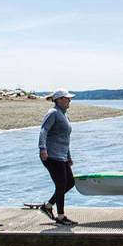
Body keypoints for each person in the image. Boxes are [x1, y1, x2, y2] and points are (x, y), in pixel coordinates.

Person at [38, 89, 77, 226]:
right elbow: (43, 130)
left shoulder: (65, 115)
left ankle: (48, 206)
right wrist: (42, 148)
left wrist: (69, 156)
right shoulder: (53, 113)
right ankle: (60, 217)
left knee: (70, 182)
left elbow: (65, 138)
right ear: (59, 100)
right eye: (67, 98)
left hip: (62, 155)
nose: (69, 101)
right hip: (51, 155)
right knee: (61, 185)